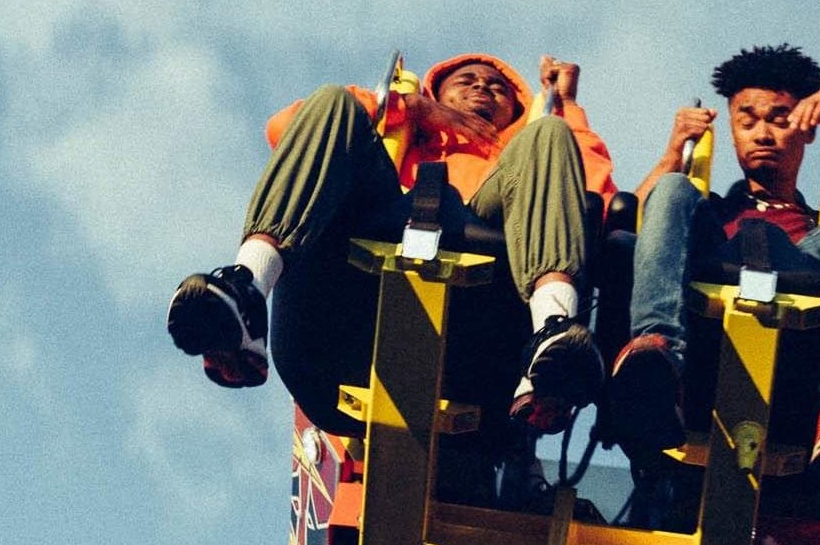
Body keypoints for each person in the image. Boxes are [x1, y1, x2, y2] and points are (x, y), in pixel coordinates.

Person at [167, 53, 616, 434]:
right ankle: (247, 289)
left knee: (550, 137)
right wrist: (406, 108)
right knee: (331, 102)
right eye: (468, 81)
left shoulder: (525, 153)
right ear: (438, 93)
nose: (483, 87)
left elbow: (592, 193)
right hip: (351, 296)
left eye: (498, 87)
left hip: (486, 314)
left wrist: (567, 107)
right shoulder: (400, 132)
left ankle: (551, 336)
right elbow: (285, 128)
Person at [607, 44, 820, 476]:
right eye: (747, 122)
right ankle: (656, 360)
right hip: (704, 354)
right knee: (673, 188)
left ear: (807, 130)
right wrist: (673, 153)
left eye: (779, 119)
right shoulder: (708, 215)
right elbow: (622, 229)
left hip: (800, 365)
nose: (763, 135)